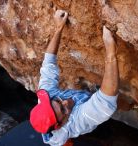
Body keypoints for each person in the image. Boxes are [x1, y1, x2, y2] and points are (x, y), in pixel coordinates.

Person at [30, 10, 119, 146]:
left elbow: (48, 62)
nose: (65, 102)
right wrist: (110, 51)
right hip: (65, 130)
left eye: (59, 101)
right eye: (63, 110)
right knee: (60, 140)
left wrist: (59, 27)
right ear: (61, 124)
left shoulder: (47, 97)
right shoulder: (78, 122)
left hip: (54, 125)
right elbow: (106, 101)